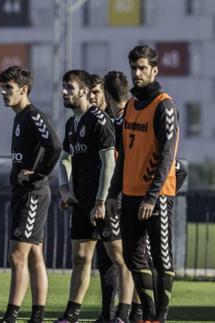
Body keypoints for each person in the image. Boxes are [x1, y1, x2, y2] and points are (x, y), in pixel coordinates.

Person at [107, 45, 181, 323]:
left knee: (162, 258)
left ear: (154, 70)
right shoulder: (130, 109)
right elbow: (123, 155)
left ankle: (160, 316)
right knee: (131, 255)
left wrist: (152, 196)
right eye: (134, 68)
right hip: (130, 194)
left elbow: (167, 157)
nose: (137, 73)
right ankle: (148, 314)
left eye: (142, 68)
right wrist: (114, 193)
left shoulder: (164, 106)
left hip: (157, 196)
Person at [56, 69, 133, 323]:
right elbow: (65, 158)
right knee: (80, 258)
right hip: (80, 202)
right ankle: (71, 314)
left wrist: (102, 201)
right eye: (64, 87)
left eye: (70, 88)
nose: (64, 92)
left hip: (104, 203)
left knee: (119, 257)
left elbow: (109, 162)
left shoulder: (99, 120)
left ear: (85, 92)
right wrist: (64, 188)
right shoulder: (71, 124)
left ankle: (123, 313)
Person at [0, 66, 62, 323]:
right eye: (2, 88)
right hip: (23, 194)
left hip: (33, 194)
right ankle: (37, 316)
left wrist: (37, 175)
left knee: (17, 255)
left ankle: (11, 315)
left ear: (23, 90)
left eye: (9, 88)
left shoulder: (33, 115)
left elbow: (55, 146)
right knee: (34, 255)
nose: (3, 92)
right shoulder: (18, 117)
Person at [91, 73, 119, 323]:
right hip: (98, 198)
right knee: (103, 258)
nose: (92, 97)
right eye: (89, 92)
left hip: (115, 199)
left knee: (121, 257)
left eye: (97, 92)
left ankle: (131, 311)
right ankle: (108, 313)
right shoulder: (86, 122)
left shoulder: (112, 122)